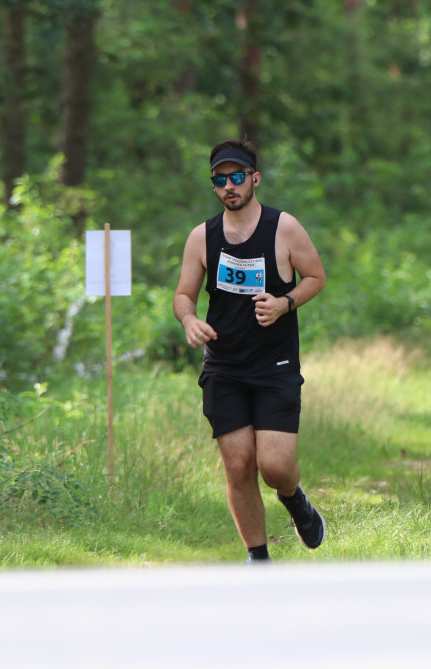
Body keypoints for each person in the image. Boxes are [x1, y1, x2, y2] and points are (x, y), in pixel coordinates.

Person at [173, 138, 328, 563]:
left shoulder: (284, 229)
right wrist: (189, 320)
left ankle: (295, 500)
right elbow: (183, 295)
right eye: (219, 180)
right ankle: (258, 560)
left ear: (254, 179)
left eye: (236, 177)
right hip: (224, 366)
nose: (229, 186)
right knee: (239, 464)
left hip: (274, 365)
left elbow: (315, 276)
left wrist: (285, 303)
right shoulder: (201, 237)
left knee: (275, 466)